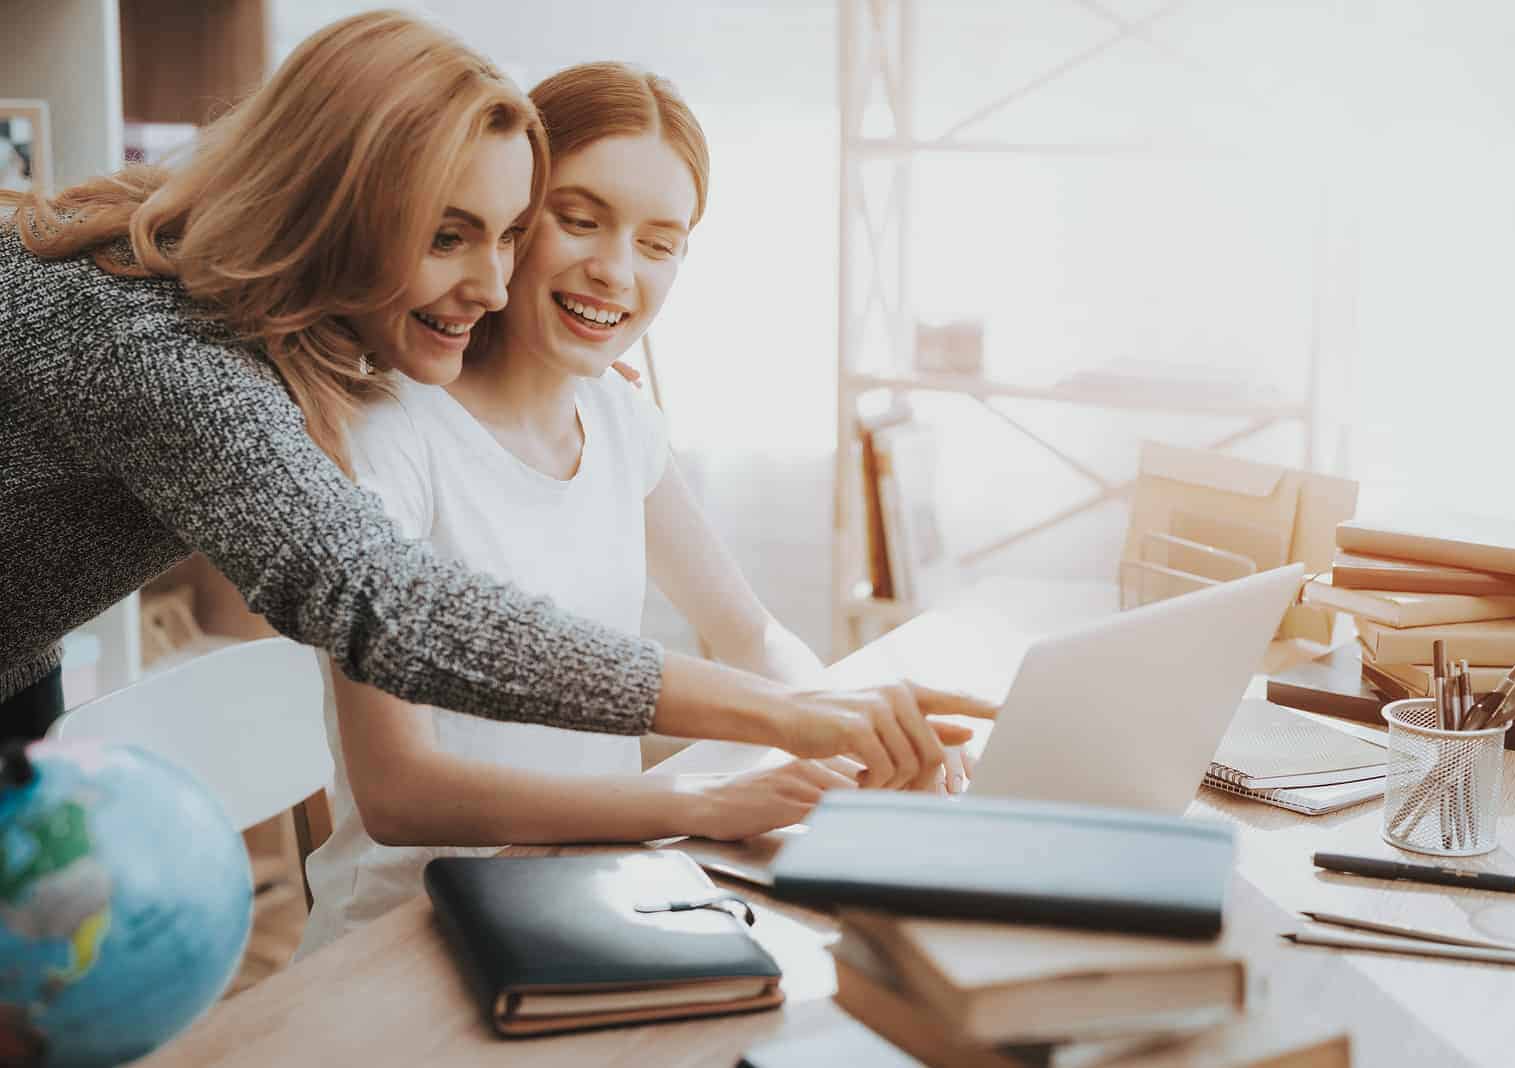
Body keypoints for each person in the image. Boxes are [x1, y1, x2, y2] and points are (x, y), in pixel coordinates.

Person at [0, 13, 990, 775]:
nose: (494, 284)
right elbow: (390, 609)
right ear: (332, 208)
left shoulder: (257, 293)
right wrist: (780, 715)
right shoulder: (158, 348)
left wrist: (554, 365)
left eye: (510, 234)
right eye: (447, 234)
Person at [299, 62, 916, 954]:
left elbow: (749, 636)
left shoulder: (619, 419)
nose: (616, 270)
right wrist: (696, 801)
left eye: (659, 243)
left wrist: (867, 733)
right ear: (509, 220)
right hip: (411, 940)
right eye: (579, 220)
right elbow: (400, 793)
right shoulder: (390, 435)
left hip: (591, 904)